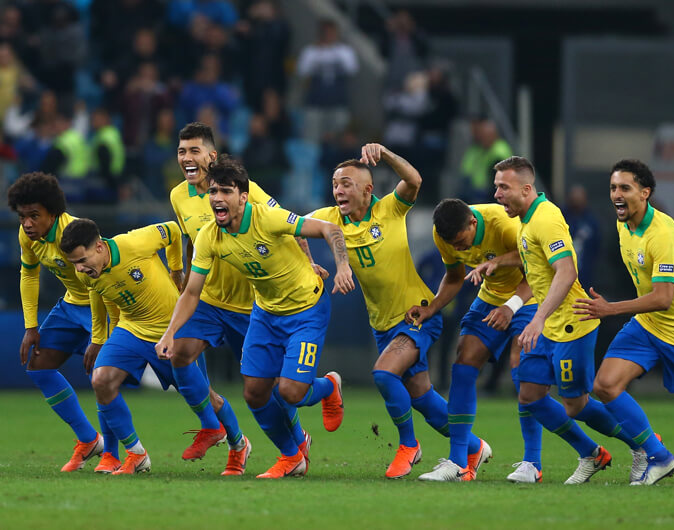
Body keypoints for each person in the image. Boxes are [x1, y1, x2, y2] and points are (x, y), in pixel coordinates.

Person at [156, 155, 354, 479]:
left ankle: (329, 387)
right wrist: (169, 334)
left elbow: (329, 229)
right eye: (213, 192)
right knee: (255, 392)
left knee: (290, 392)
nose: (217, 198)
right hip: (265, 313)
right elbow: (192, 293)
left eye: (225, 191)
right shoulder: (209, 236)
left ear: (243, 197)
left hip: (306, 309)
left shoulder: (269, 219)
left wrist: (342, 265)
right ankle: (291, 457)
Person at [309, 144, 486, 479]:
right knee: (421, 397)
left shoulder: (389, 209)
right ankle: (474, 448)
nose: (338, 190)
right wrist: (310, 263)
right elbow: (288, 227)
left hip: (416, 314)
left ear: (367, 190)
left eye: (346, 183)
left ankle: (409, 445)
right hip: (382, 324)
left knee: (384, 374)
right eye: (335, 183)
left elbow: (414, 180)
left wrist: (386, 154)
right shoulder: (328, 218)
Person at [575, 159, 674, 486]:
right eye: (612, 188)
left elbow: (664, 297)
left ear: (645, 193)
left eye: (625, 188)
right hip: (648, 324)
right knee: (604, 385)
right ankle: (658, 455)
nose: (616, 195)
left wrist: (611, 309)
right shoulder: (623, 225)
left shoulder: (662, 233)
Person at [491, 155, 643, 484]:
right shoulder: (526, 219)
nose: (497, 194)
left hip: (572, 322)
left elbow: (567, 270)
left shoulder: (546, 218)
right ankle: (591, 453)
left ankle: (644, 444)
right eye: (496, 187)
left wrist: (537, 319)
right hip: (548, 324)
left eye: (504, 187)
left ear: (526, 188)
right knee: (530, 395)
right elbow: (534, 263)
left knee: (575, 404)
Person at [410, 198, 542, 482]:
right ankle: (459, 462)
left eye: (461, 241)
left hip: (529, 296)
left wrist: (511, 306)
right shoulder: (443, 234)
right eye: (453, 245)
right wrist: (432, 308)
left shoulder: (505, 225)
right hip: (491, 296)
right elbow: (454, 277)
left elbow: (539, 267)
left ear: (473, 222)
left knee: (524, 372)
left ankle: (533, 462)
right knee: (463, 361)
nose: (458, 249)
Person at [8, 172, 118, 473]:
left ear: (53, 212)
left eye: (34, 216)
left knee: (104, 378)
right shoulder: (27, 236)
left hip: (103, 305)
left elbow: (101, 281)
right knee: (38, 365)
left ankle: (113, 453)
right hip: (71, 306)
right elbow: (29, 274)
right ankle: (88, 439)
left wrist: (98, 336)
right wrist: (31, 327)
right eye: (22, 217)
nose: (27, 223)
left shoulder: (75, 233)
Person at [59, 217, 187, 475]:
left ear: (98, 247)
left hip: (172, 326)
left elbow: (173, 230)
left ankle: (237, 442)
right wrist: (100, 338)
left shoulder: (134, 242)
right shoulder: (85, 273)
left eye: (82, 261)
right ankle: (133, 454)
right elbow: (100, 293)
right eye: (74, 264)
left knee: (201, 394)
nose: (79, 269)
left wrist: (176, 270)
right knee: (102, 380)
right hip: (131, 328)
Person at [167, 122, 255, 475]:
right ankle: (228, 435)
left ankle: (297, 440)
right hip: (210, 299)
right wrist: (186, 279)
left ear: (211, 155)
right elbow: (191, 239)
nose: (187, 158)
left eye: (194, 151)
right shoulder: (178, 196)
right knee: (179, 355)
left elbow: (283, 221)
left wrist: (309, 261)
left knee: (269, 387)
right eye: (181, 151)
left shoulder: (238, 188)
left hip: (251, 303)